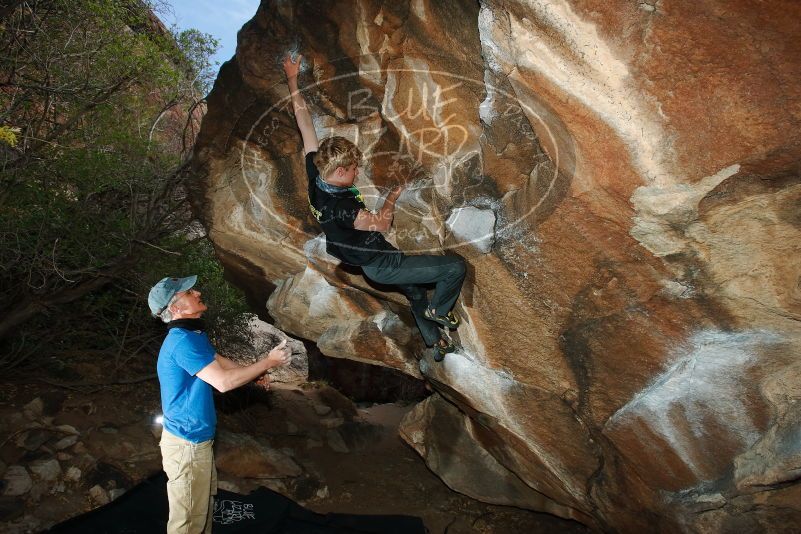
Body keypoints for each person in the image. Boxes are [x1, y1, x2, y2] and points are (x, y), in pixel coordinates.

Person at [282, 54, 466, 361]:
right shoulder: (343, 208)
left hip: (371, 259)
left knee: (415, 292)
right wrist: (393, 196)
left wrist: (292, 80)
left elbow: (305, 125)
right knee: (454, 268)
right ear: (340, 172)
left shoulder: (316, 173)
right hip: (382, 265)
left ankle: (435, 343)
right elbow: (381, 224)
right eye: (354, 169)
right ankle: (440, 311)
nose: (357, 172)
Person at [148, 275, 291, 534]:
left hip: (196, 440)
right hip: (187, 446)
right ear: (176, 307)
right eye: (189, 293)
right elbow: (223, 383)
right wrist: (268, 362)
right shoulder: (181, 342)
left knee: (201, 510)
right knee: (187, 523)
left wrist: (254, 375)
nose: (198, 292)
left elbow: (218, 360)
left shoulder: (191, 334)